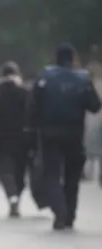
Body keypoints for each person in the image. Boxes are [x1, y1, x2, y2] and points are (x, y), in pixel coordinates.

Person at [28, 43, 101, 230]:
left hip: (49, 134)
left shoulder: (45, 77)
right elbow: (95, 105)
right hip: (75, 134)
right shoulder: (83, 78)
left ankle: (59, 211)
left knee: (51, 174)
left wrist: (33, 129)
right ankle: (69, 214)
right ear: (73, 58)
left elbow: (32, 106)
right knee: (72, 175)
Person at [0, 61, 29, 217]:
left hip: (2, 136)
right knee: (20, 170)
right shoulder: (24, 91)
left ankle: (12, 196)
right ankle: (16, 198)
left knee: (5, 170)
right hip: (22, 137)